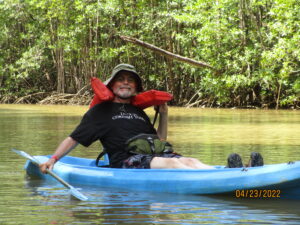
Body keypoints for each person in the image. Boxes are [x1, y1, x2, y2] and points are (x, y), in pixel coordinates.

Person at [39, 64, 263, 173]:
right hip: (127, 161)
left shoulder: (139, 112)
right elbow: (74, 138)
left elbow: (160, 140)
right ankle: (227, 179)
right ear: (111, 85)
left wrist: (164, 115)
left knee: (189, 161)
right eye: (121, 79)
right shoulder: (100, 112)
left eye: (131, 80)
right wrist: (53, 159)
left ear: (136, 87)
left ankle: (230, 173)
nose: (126, 83)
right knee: (172, 163)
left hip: (156, 153)